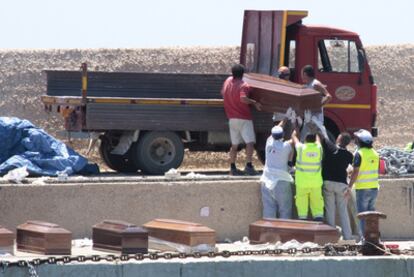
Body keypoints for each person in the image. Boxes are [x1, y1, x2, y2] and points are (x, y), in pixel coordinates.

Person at [221, 64, 262, 176]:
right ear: (243, 74)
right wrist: (255, 103)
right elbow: (243, 98)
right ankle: (248, 166)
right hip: (244, 118)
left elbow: (223, 93)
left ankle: (232, 167)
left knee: (234, 145)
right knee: (250, 143)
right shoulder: (244, 85)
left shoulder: (228, 81)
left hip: (231, 118)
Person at [260, 118, 294, 219]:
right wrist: (295, 124)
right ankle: (283, 233)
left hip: (266, 182)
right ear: (283, 135)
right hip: (281, 182)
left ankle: (268, 233)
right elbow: (295, 138)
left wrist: (284, 119)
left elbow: (278, 128)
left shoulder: (269, 142)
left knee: (268, 210)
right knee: (285, 210)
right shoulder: (286, 146)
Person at [321, 132, 353, 240]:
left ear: (338, 139)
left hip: (328, 183)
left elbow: (325, 138)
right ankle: (348, 237)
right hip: (341, 185)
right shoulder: (349, 155)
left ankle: (332, 237)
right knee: (343, 211)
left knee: (330, 210)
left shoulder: (331, 149)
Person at [347, 129, 379, 236]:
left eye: (357, 139)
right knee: (371, 217)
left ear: (361, 141)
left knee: (362, 216)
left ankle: (364, 239)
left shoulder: (359, 154)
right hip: (374, 188)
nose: (355, 141)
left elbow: (355, 172)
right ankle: (372, 237)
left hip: (362, 189)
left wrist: (349, 186)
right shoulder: (375, 153)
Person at [291, 125, 324, 221]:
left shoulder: (301, 148)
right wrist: (316, 130)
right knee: (318, 208)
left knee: (302, 208)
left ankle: (303, 229)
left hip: (302, 183)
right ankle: (318, 228)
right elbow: (318, 141)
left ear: (305, 140)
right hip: (316, 183)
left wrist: (295, 131)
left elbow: (294, 138)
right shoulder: (319, 148)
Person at [300, 65, 332, 140]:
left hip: (315, 120)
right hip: (308, 119)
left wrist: (317, 106)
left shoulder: (316, 84)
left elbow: (328, 96)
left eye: (302, 74)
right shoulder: (308, 85)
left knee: (310, 141)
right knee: (304, 141)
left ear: (305, 74)